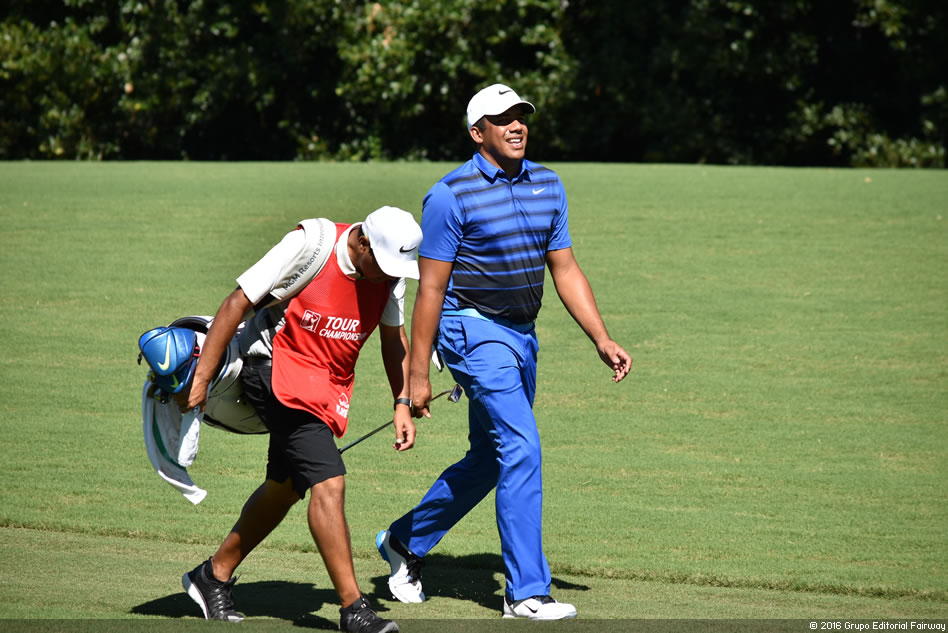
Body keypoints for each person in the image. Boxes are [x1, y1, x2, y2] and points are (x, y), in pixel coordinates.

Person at [375, 84, 632, 620]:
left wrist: (601, 338)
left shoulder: (548, 184)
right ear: (478, 133)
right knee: (522, 449)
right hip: (470, 331)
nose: (517, 126)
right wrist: (415, 377)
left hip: (522, 334)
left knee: (492, 458)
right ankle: (526, 594)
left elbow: (563, 267)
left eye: (521, 117)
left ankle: (404, 541)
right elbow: (430, 290)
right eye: (502, 119)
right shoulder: (450, 194)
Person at [177, 206, 422, 633]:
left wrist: (401, 401)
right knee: (329, 481)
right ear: (362, 241)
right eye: (381, 266)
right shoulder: (311, 244)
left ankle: (211, 576)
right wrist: (201, 379)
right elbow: (237, 302)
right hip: (272, 369)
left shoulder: (389, 274)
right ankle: (354, 610)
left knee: (285, 487)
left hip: (323, 387)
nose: (387, 276)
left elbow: (392, 338)